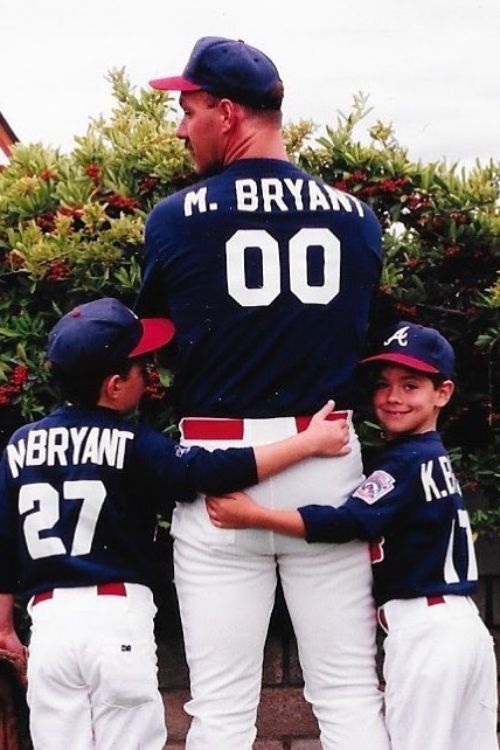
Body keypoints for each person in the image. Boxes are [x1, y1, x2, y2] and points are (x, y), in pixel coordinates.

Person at [136, 36, 390, 750]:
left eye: (189, 109)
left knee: (218, 711)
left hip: (218, 468)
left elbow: (160, 331)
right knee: (347, 697)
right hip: (325, 457)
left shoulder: (173, 217)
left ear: (227, 111)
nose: (181, 126)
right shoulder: (356, 215)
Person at [0, 297, 351, 750]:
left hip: (48, 626)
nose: (150, 371)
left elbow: (5, 542)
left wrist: (5, 627)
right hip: (115, 620)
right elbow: (212, 471)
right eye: (139, 363)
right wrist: (307, 443)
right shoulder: (133, 442)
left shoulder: (20, 444)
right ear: (113, 384)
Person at [207, 321, 499, 750]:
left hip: (425, 632)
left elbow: (347, 523)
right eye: (383, 384)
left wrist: (256, 514)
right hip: (463, 629)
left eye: (411, 385)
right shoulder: (431, 455)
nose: (393, 397)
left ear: (443, 393)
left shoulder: (404, 463)